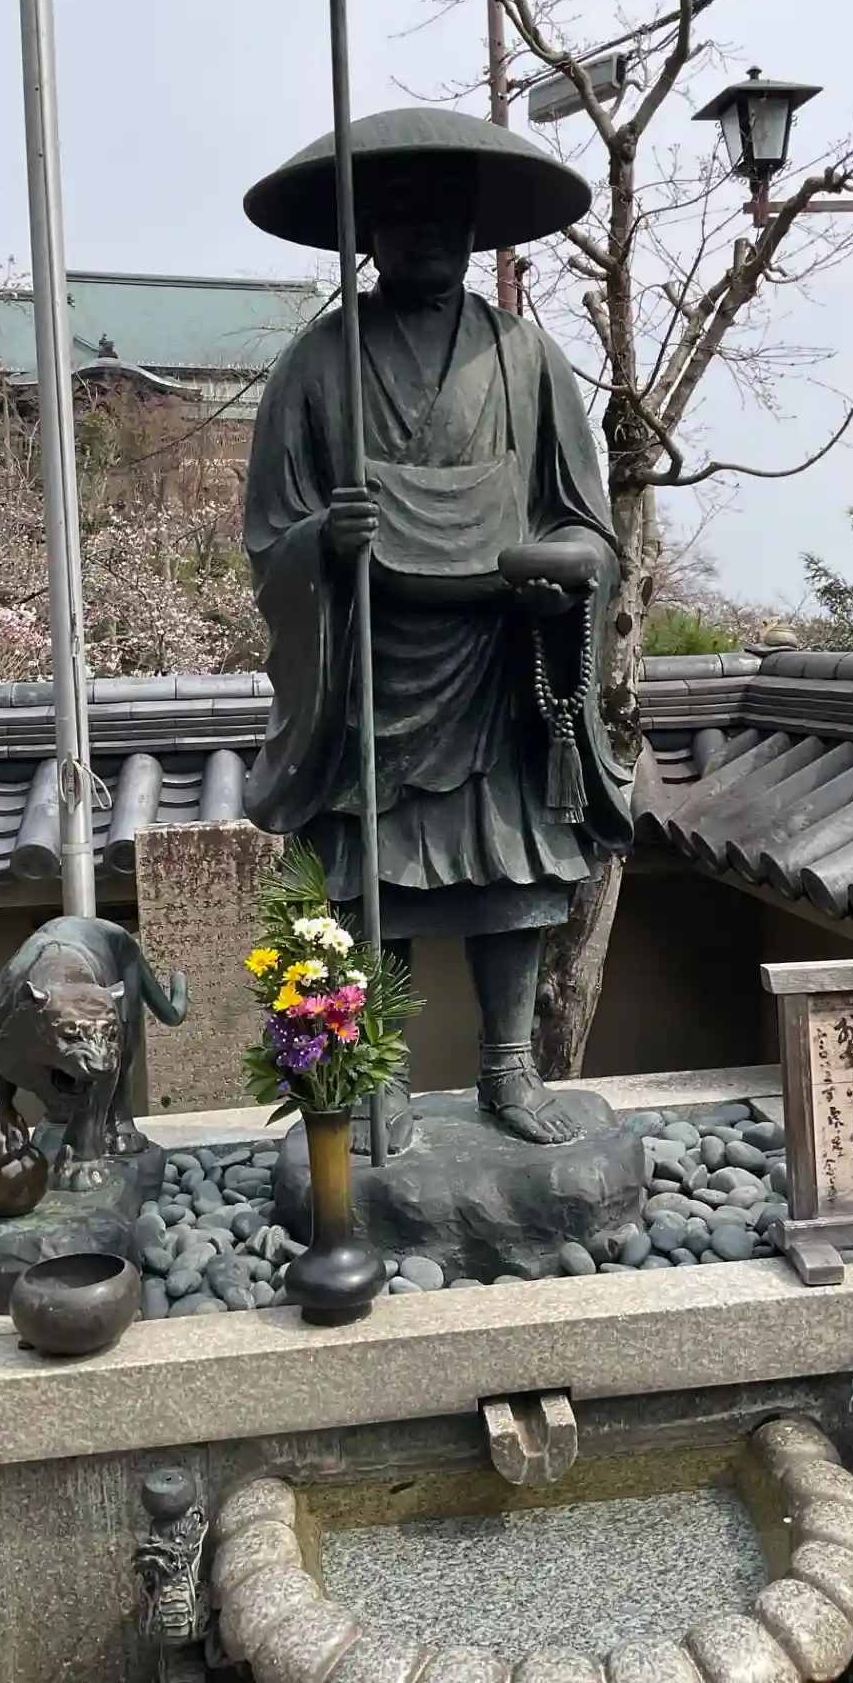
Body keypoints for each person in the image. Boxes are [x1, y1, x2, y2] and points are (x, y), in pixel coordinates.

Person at [242, 109, 632, 1150]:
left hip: (498, 657)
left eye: (448, 221)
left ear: (476, 234)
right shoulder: (317, 363)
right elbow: (270, 531)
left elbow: (583, 521)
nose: (429, 239)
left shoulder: (529, 358)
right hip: (371, 663)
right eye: (405, 218)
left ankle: (511, 1067)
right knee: (373, 881)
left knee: (511, 875)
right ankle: (379, 1075)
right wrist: (323, 540)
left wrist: (567, 573)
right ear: (368, 233)